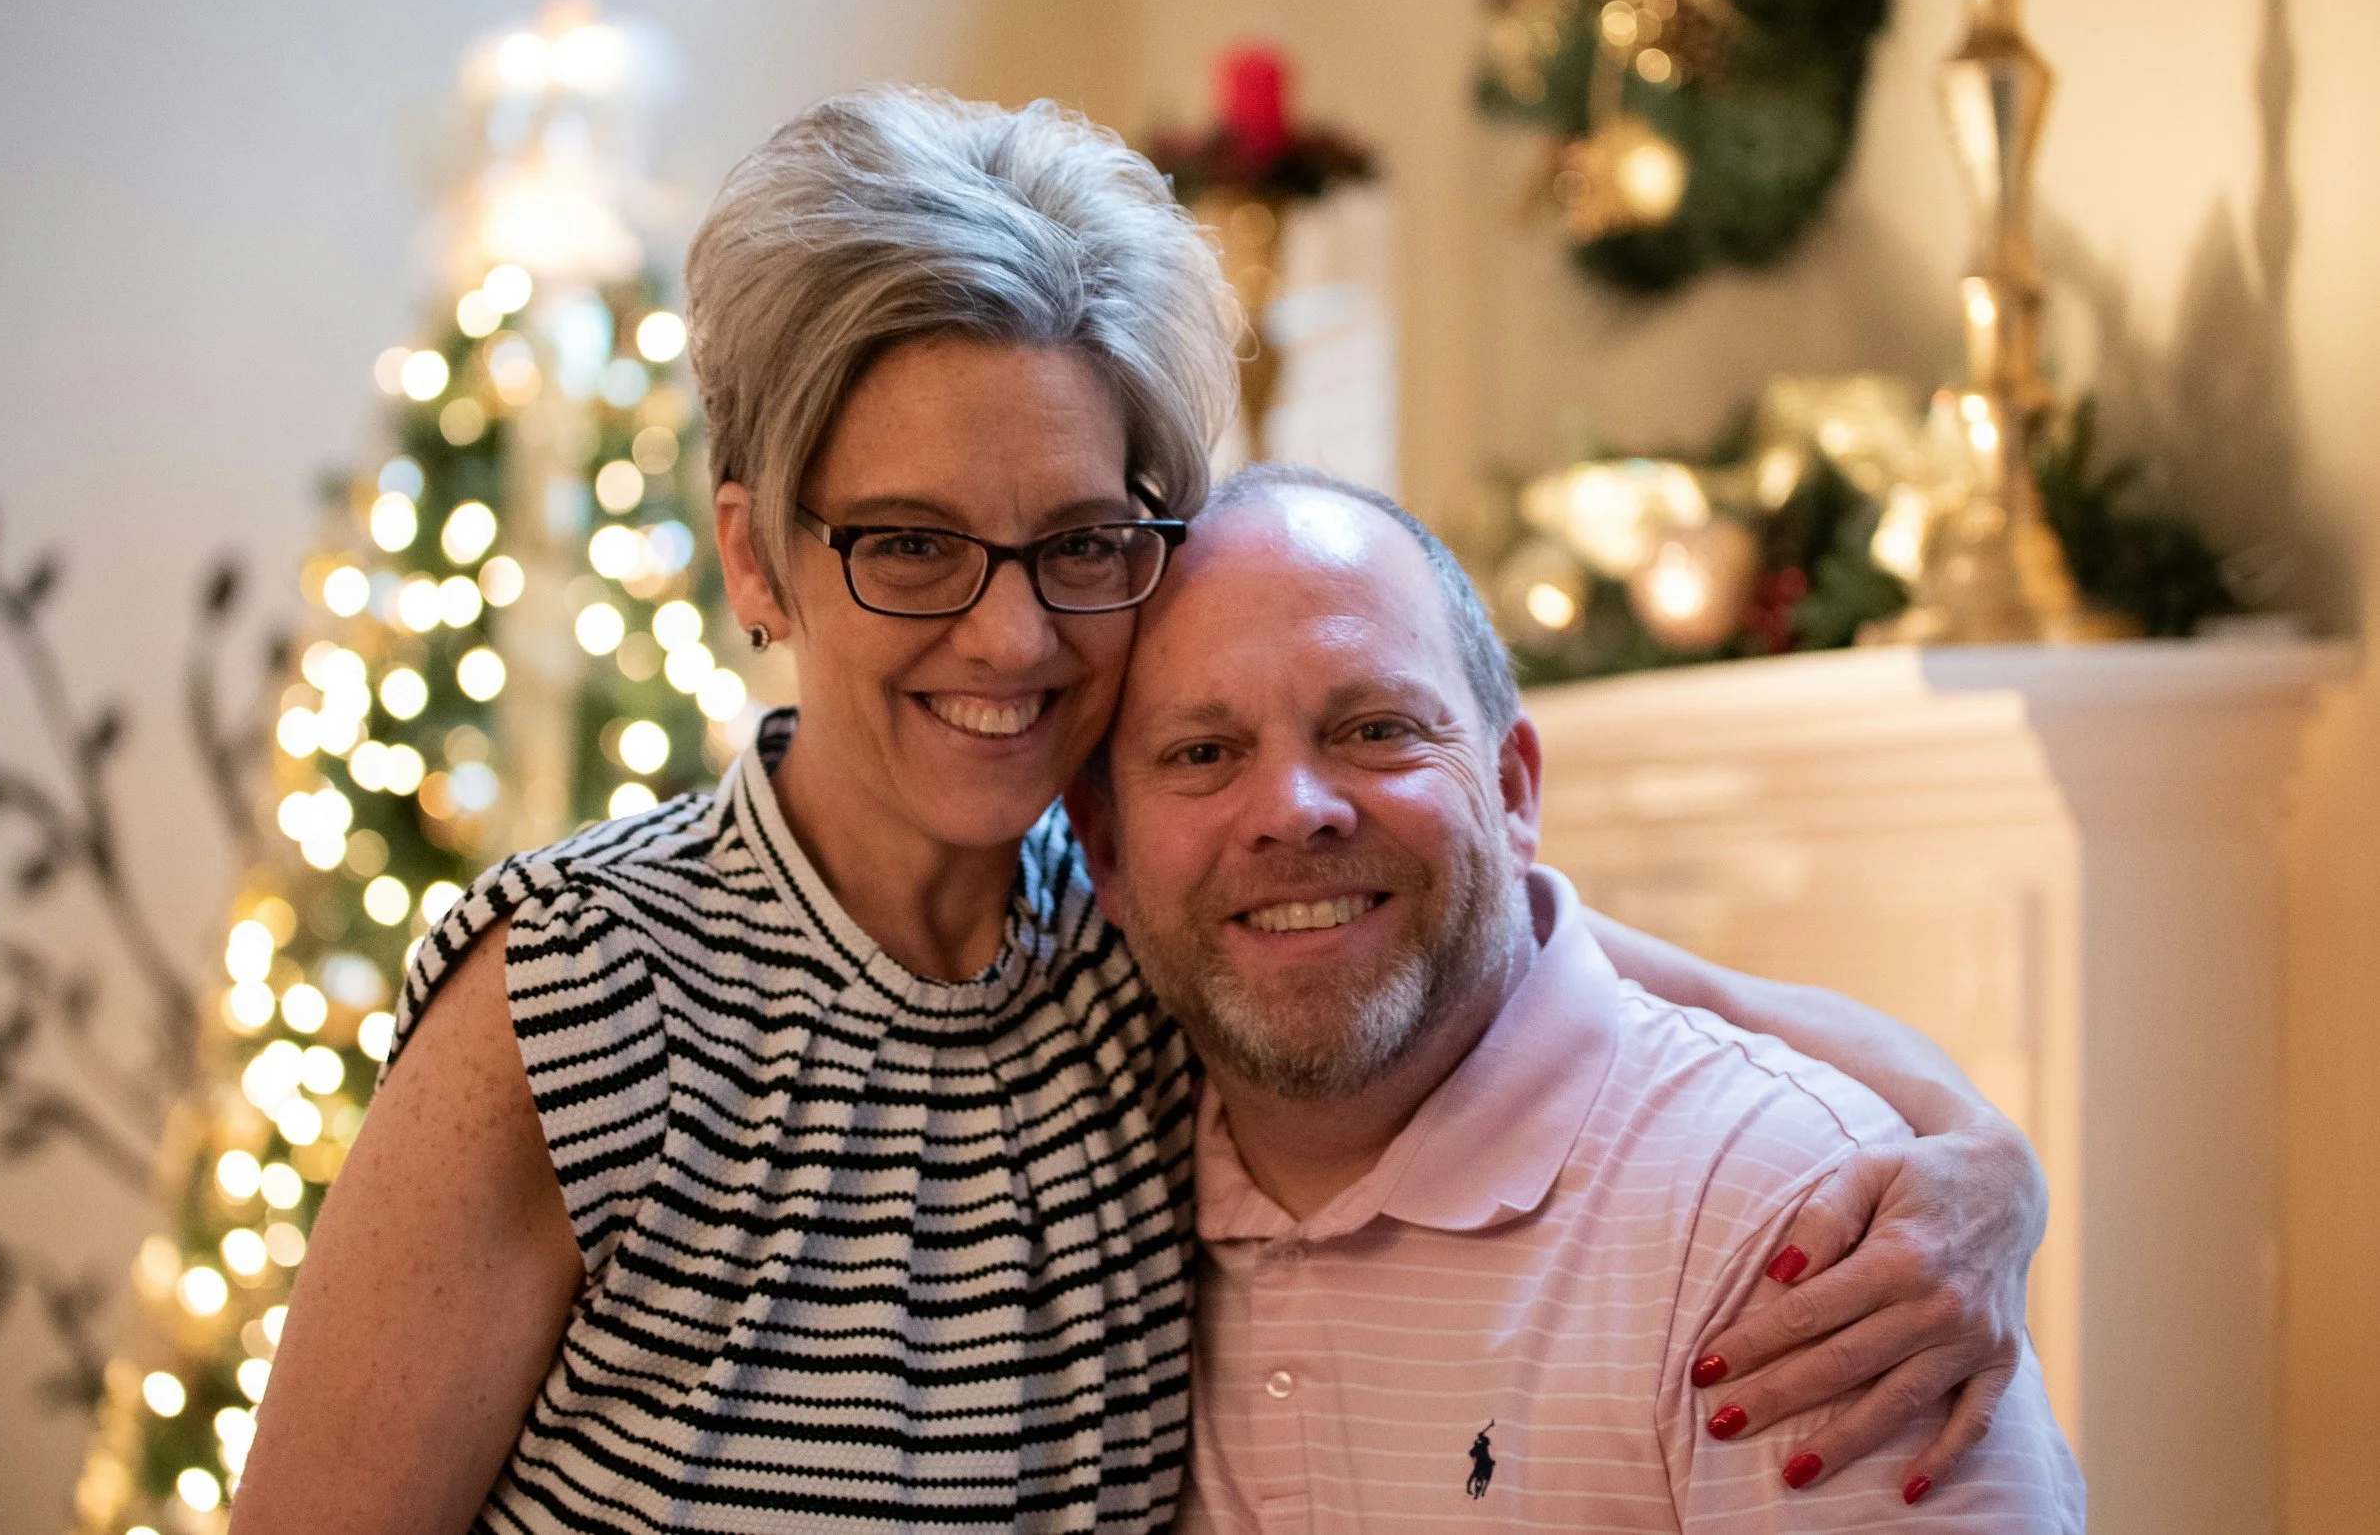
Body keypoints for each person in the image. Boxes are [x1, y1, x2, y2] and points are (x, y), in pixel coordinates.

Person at [233, 89, 2045, 1534]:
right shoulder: (572, 997)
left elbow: (1586, 978)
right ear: (756, 562)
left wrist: (1982, 1170)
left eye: (1083, 543)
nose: (1011, 631)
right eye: (912, 545)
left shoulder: (1147, 915)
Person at [1068, 463, 2084, 1530]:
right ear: (1105, 853)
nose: (1294, 808)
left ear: (1511, 790)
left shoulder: (1804, 1230)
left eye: (1375, 728)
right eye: (1201, 751)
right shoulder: (1093, 1157)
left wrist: (1976, 1139)